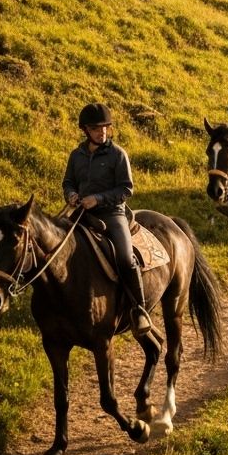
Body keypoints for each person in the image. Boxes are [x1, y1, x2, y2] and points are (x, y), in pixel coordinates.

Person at [62, 103, 151, 337]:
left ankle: (139, 309)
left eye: (105, 127)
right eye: (96, 128)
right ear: (85, 130)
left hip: (113, 214)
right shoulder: (76, 155)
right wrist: (71, 194)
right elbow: (68, 181)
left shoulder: (117, 154)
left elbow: (126, 189)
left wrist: (98, 199)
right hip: (82, 213)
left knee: (124, 257)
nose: (102, 132)